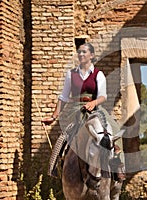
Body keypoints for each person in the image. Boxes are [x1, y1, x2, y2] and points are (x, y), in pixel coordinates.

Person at [42, 42, 125, 181]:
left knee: (116, 131)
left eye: (84, 52)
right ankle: (55, 165)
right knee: (64, 136)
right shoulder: (71, 74)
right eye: (79, 52)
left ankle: (117, 166)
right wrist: (53, 116)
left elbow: (103, 96)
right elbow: (63, 97)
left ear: (91, 55)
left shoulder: (98, 74)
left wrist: (93, 102)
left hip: (95, 108)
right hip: (75, 109)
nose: (81, 54)